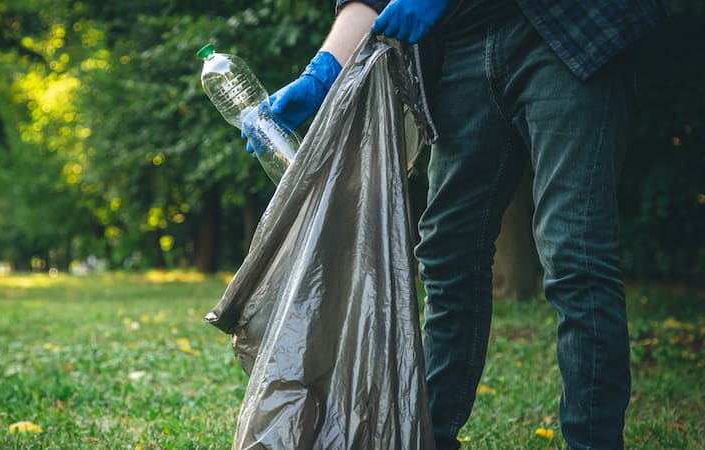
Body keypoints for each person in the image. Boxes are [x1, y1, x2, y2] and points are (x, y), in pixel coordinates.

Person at [242, 1, 666, 448]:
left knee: (573, 251)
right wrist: (320, 74)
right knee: (447, 252)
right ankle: (430, 438)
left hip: (565, 25)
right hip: (463, 43)